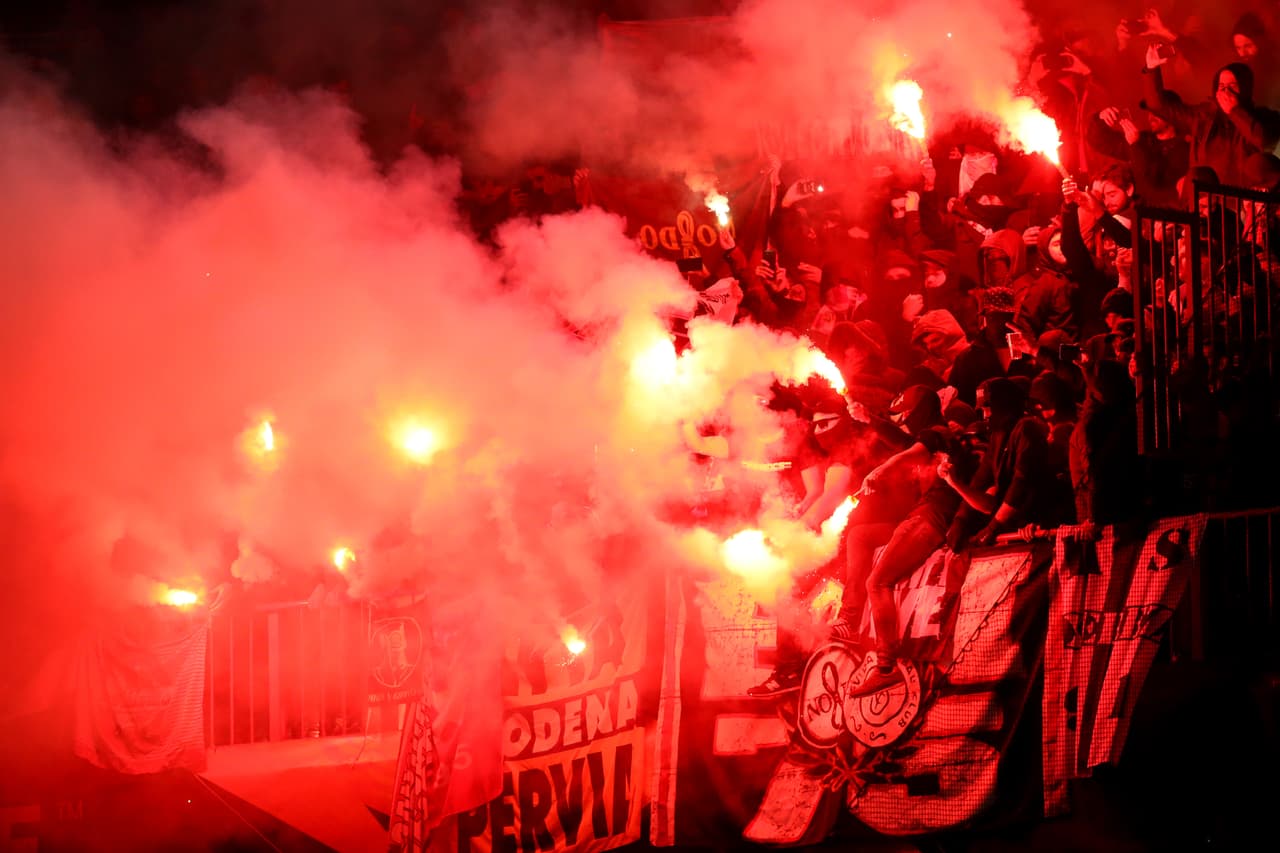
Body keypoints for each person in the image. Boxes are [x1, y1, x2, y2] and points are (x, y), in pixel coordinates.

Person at [842, 386, 977, 697]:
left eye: (905, 414)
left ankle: (885, 665)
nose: (902, 420)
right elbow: (903, 441)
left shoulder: (937, 432)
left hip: (930, 517)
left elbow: (909, 452)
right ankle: (848, 616)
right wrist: (870, 419)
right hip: (922, 516)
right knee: (861, 535)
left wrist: (878, 471)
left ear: (918, 412)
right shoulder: (936, 438)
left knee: (877, 582)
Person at [1142, 45, 1280, 187]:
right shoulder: (1203, 117)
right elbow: (1160, 107)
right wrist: (1151, 69)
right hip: (1204, 201)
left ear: (1245, 88)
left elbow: (1264, 142)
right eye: (1221, 86)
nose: (1226, 91)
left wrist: (1234, 111)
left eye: (1232, 86)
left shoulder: (1262, 118)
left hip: (1241, 202)